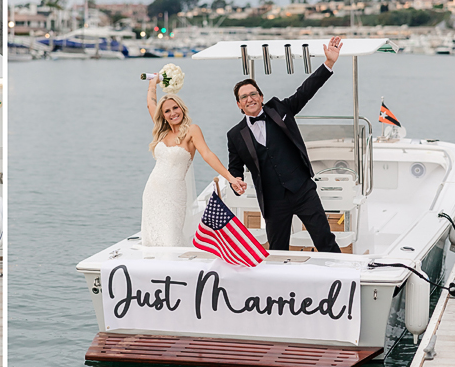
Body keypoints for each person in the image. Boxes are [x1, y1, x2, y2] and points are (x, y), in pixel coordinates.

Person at [226, 36, 344, 253]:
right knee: (277, 251)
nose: (250, 99)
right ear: (239, 104)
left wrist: (329, 63)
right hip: (273, 201)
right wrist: (236, 182)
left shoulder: (279, 109)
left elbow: (305, 91)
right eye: (244, 97)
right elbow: (235, 168)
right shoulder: (234, 135)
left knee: (324, 240)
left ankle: (343, 279)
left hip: (302, 190)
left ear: (261, 97)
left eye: (253, 94)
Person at [141, 76, 246, 247]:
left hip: (174, 194)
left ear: (182, 109)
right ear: (163, 115)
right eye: (167, 111)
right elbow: (150, 104)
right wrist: (153, 82)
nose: (173, 113)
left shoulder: (192, 130)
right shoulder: (162, 131)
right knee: (152, 237)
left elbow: (207, 154)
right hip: (152, 191)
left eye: (176, 108)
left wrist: (231, 178)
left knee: (170, 237)